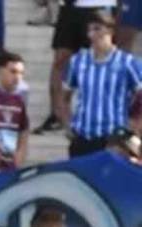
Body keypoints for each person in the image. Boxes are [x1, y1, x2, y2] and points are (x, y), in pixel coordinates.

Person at [61, 12, 142, 157]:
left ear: (110, 30)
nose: (92, 34)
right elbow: (65, 96)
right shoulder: (78, 61)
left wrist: (133, 128)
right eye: (89, 30)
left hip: (114, 138)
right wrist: (68, 125)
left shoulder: (127, 62)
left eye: (97, 29)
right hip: (83, 137)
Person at [35, 0, 102, 134]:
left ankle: (96, 114)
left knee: (100, 59)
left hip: (99, 7)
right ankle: (57, 114)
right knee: (61, 59)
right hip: (69, 8)